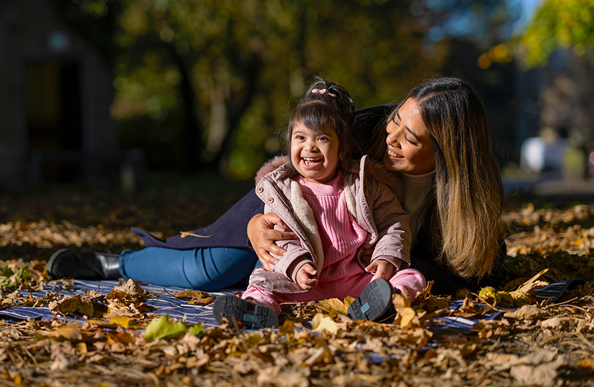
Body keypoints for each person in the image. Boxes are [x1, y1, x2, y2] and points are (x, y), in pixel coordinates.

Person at [47, 77, 506, 295]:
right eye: (395, 121)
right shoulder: (363, 131)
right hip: (295, 207)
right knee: (216, 270)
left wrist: (398, 266)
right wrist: (253, 226)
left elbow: (476, 269)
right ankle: (118, 264)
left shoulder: (467, 201)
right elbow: (295, 162)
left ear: (448, 154)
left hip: (349, 257)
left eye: (409, 137)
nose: (390, 137)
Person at [211, 80, 426, 328]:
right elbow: (280, 240)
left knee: (411, 276)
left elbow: (393, 222)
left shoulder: (364, 185)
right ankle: (256, 309)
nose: (309, 147)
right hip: (305, 281)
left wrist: (386, 257)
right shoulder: (283, 191)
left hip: (357, 277)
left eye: (322, 138)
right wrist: (297, 266)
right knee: (262, 281)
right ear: (290, 142)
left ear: (342, 148)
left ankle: (385, 303)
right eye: (300, 137)